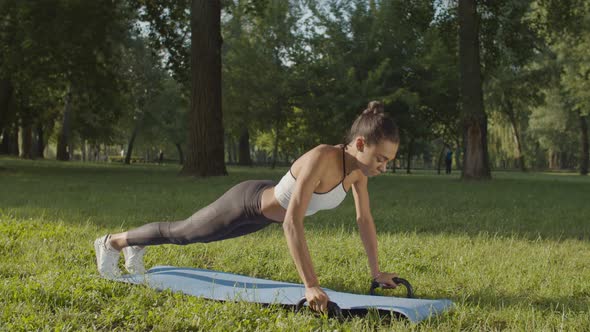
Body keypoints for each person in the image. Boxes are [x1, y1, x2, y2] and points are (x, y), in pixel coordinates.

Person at [94, 101, 400, 313]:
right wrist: (311, 285)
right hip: (245, 203)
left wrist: (376, 272)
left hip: (261, 217)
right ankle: (114, 242)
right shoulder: (322, 158)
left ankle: (137, 245)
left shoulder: (359, 173)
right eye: (380, 158)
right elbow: (292, 222)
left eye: (388, 161)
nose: (383, 167)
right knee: (184, 233)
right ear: (360, 144)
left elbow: (365, 220)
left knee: (191, 235)